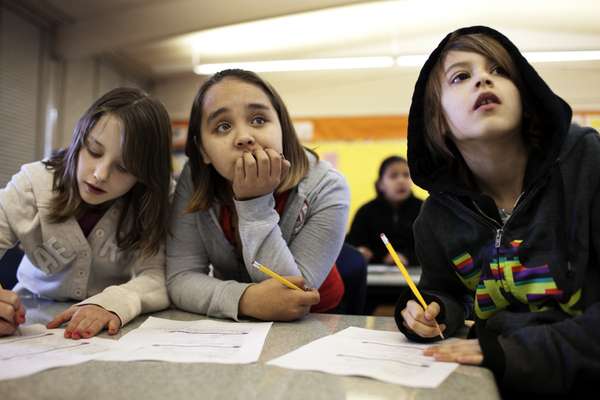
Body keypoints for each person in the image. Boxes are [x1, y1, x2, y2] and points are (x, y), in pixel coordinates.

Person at [394, 26, 600, 395]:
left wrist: (513, 353)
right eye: (461, 76)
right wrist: (431, 310)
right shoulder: (437, 218)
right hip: (494, 381)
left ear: (526, 95)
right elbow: (445, 291)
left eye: (500, 70)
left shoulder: (588, 166)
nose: (483, 79)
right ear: (438, 121)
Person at [167, 69, 349, 321]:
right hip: (236, 319)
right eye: (223, 126)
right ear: (203, 151)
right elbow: (180, 278)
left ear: (283, 128)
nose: (244, 137)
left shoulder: (327, 185)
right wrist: (245, 299)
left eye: (259, 120)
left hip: (318, 317)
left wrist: (254, 204)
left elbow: (292, 296)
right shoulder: (194, 178)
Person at [0, 87, 172, 339]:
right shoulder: (31, 184)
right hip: (29, 313)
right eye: (94, 150)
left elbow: (159, 276)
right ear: (80, 140)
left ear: (145, 175)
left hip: (109, 324)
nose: (100, 174)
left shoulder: (155, 199)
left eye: (123, 167)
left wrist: (112, 302)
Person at [346, 156, 422, 266]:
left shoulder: (423, 209)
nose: (401, 181)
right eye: (393, 176)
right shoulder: (366, 211)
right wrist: (360, 253)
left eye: (406, 175)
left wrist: (408, 258)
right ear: (381, 184)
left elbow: (434, 248)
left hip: (417, 276)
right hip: (373, 278)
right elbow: (351, 245)